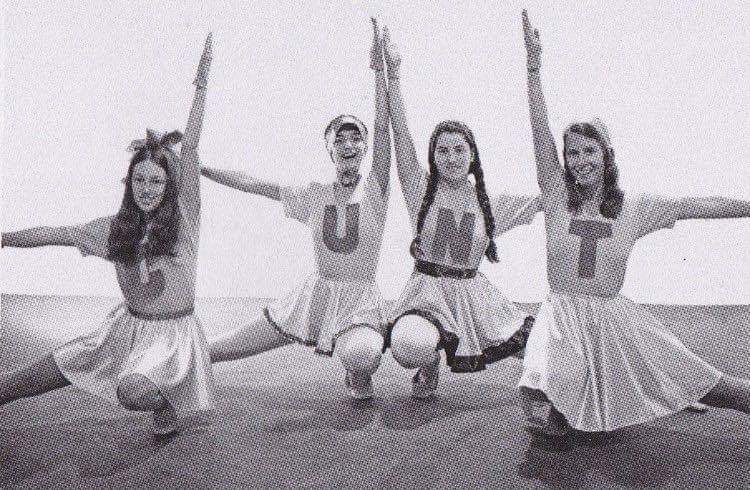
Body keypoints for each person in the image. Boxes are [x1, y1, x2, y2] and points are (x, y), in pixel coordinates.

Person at [519, 10, 750, 436]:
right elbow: (539, 132)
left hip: (612, 318)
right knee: (542, 406)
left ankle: (679, 394)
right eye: (573, 153)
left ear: (607, 155)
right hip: (562, 319)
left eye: (590, 151)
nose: (581, 161)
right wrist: (533, 71)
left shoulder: (633, 206)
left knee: (717, 387)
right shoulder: (555, 196)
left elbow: (697, 205)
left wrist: (748, 208)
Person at [0, 35, 216, 437]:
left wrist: (201, 86)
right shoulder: (115, 229)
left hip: (173, 336)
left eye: (156, 181)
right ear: (129, 183)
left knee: (132, 391)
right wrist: (4, 239)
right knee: (49, 369)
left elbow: (190, 148)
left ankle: (167, 400)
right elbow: (57, 233)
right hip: (126, 327)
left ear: (169, 185)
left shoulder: (185, 219)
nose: (147, 188)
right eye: (140, 180)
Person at [201, 20, 391, 400]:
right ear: (330, 149)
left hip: (360, 300)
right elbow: (254, 184)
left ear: (366, 148)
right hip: (313, 297)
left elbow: (384, 130)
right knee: (219, 349)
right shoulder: (314, 195)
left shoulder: (376, 190)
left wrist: (379, 72)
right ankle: (181, 363)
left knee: (363, 354)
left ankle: (357, 374)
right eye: (340, 139)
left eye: (356, 138)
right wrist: (201, 167)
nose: (349, 145)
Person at [381, 27, 540, 399]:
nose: (450, 157)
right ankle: (427, 363)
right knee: (411, 344)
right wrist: (394, 75)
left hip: (473, 296)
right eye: (442, 150)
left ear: (472, 156)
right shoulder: (421, 189)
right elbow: (400, 135)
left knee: (538, 346)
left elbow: (546, 198)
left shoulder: (488, 203)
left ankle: (565, 386)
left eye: (459, 150)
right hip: (426, 293)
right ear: (432, 156)